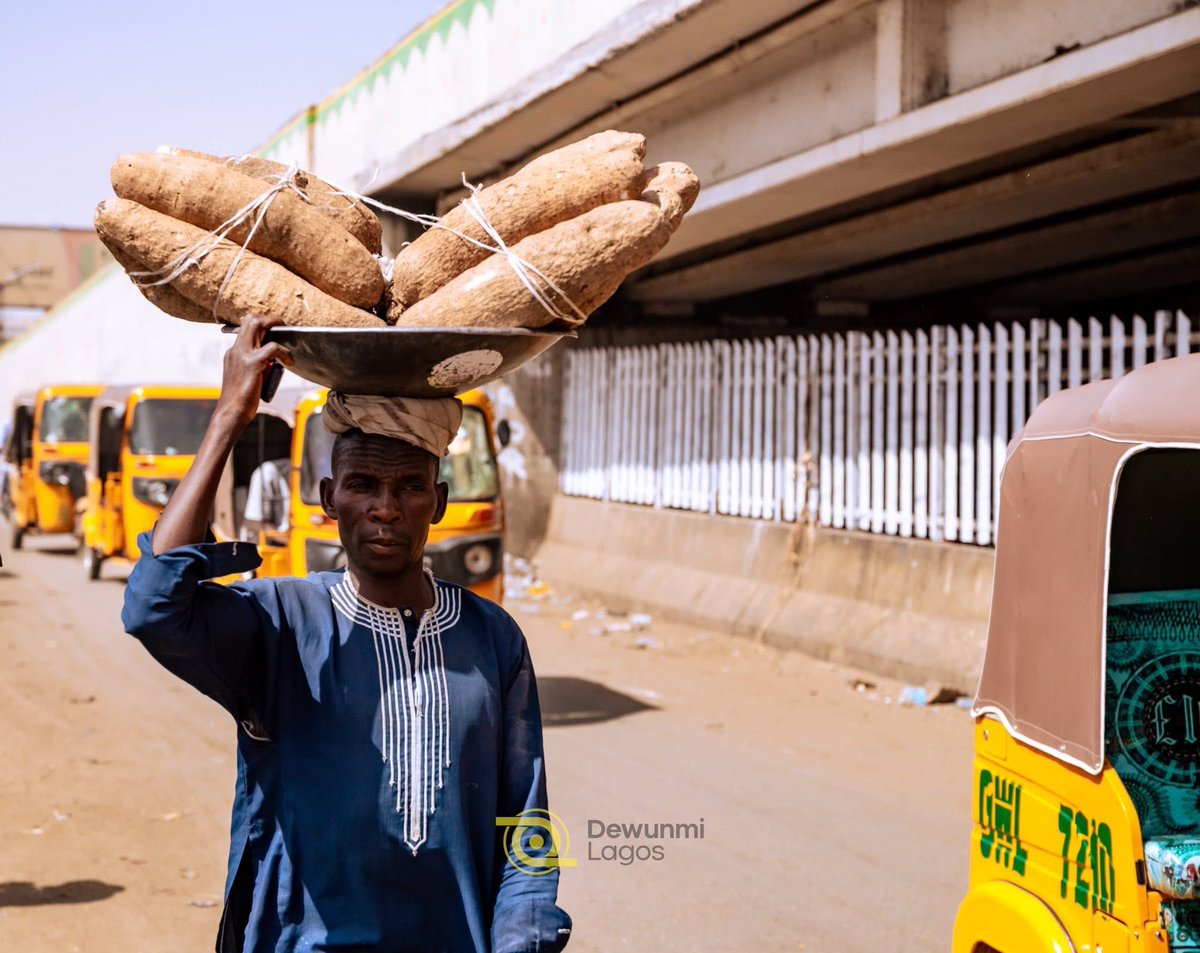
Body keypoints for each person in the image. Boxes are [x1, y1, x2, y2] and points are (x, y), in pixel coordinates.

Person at [122, 315, 572, 953]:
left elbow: (525, 819)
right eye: (363, 485)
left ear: (437, 503)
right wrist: (231, 413)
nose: (386, 507)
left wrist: (526, 934)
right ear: (331, 499)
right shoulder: (278, 621)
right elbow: (153, 605)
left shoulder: (492, 636)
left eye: (408, 487)